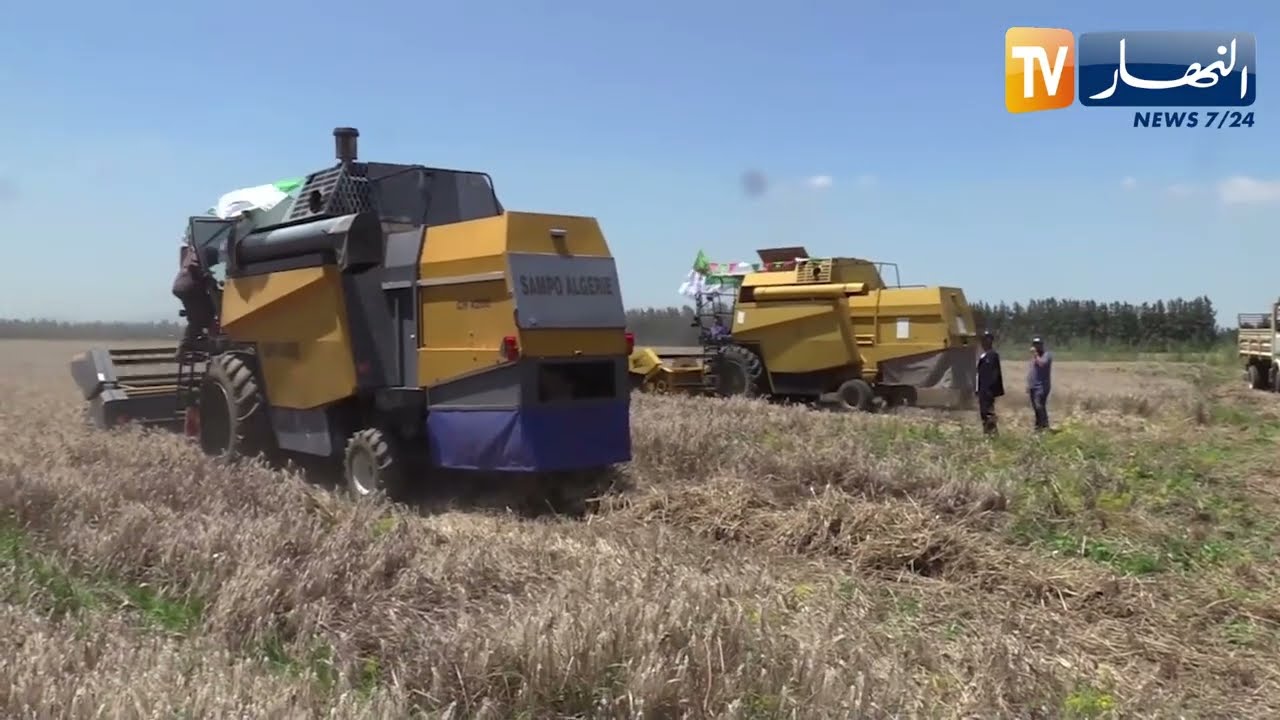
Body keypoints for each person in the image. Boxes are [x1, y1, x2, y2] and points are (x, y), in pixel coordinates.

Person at [171, 237, 217, 356]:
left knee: (196, 316)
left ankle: (188, 345)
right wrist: (211, 281)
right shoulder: (199, 258)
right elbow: (204, 276)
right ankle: (190, 344)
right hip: (189, 288)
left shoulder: (190, 254)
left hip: (183, 287)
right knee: (205, 313)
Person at [974, 330, 1004, 435]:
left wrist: (990, 389)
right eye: (983, 340)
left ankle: (992, 434)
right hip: (982, 390)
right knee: (983, 412)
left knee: (988, 412)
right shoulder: (984, 356)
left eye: (986, 340)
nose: (984, 342)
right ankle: (987, 432)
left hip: (988, 390)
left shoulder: (992, 355)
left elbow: (994, 375)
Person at [1027, 336, 1053, 431]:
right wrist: (1028, 384)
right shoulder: (1034, 357)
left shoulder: (1047, 355)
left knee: (1039, 405)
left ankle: (1044, 424)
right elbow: (1031, 371)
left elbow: (1042, 364)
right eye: (1034, 344)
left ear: (1042, 345)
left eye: (1038, 344)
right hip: (1033, 385)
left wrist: (1035, 355)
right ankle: (1039, 426)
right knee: (1036, 407)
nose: (1036, 346)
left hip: (1042, 386)